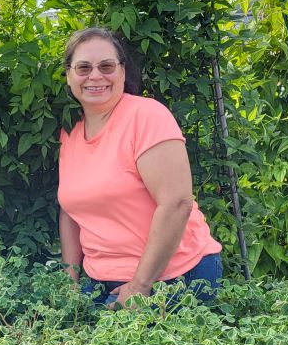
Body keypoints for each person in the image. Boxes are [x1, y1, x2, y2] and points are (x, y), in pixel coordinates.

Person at [57, 27, 223, 309]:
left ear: (122, 72)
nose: (95, 75)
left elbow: (176, 203)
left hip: (172, 276)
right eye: (83, 67)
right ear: (69, 75)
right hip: (101, 280)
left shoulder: (146, 116)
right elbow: (70, 211)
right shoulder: (70, 133)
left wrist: (140, 285)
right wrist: (69, 280)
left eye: (106, 66)